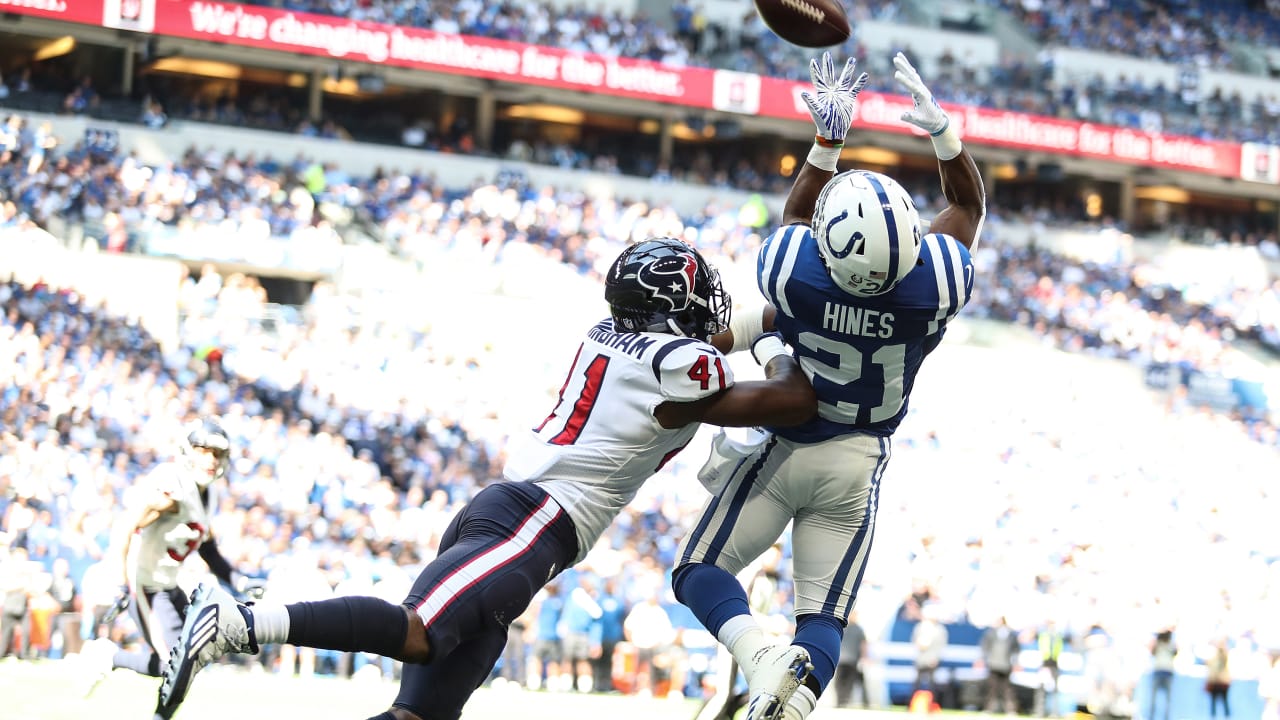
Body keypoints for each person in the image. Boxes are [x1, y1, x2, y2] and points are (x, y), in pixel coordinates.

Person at [159, 238, 819, 720]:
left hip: (514, 518)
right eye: (699, 298)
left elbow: (706, 344)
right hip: (533, 522)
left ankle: (240, 625)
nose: (709, 310)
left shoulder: (614, 337)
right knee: (418, 631)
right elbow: (793, 400)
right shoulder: (680, 365)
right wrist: (776, 341)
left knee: (419, 717)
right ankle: (240, 625)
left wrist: (773, 316)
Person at [671, 50, 985, 720]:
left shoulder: (796, 273)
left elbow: (794, 218)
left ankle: (759, 658)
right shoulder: (938, 286)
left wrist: (828, 144)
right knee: (824, 617)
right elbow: (966, 203)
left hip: (787, 449)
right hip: (859, 461)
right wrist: (944, 136)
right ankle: (792, 707)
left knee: (699, 572)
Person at [78, 418, 242, 720]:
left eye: (216, 453)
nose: (210, 459)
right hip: (145, 583)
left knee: (192, 658)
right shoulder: (174, 485)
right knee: (176, 665)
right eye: (202, 450)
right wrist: (118, 580)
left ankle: (110, 657)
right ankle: (109, 657)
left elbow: (207, 547)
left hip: (167, 584)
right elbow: (125, 525)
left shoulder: (208, 493)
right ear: (186, 450)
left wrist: (237, 579)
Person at [979, 616, 1020, 714]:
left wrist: (1015, 662)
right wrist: (983, 659)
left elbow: (1015, 650)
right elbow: (985, 647)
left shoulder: (1011, 635)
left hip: (1006, 665)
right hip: (993, 663)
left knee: (1007, 689)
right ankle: (989, 708)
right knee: (992, 688)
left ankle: (1010, 709)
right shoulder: (991, 633)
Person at [832, 609, 868, 708]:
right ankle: (840, 701)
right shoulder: (842, 627)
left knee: (849, 682)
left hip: (852, 660)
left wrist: (864, 657)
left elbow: (863, 644)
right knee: (839, 682)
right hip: (841, 659)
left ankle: (845, 701)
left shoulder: (858, 629)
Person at [1148, 628, 1176, 720]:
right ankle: (1153, 717)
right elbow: (1152, 652)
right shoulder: (1161, 645)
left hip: (1164, 672)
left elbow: (1175, 652)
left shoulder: (1170, 645)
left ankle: (1164, 717)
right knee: (1155, 698)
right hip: (1161, 672)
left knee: (1163, 698)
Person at [1205, 638, 1230, 719]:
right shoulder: (1213, 656)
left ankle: (1226, 716)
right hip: (1215, 681)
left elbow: (1224, 659)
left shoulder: (1223, 656)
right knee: (1214, 701)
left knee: (1224, 700)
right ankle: (1213, 716)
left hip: (1222, 681)